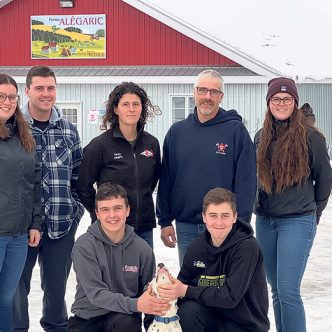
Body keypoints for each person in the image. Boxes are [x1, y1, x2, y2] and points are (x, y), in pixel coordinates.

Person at [254, 77, 332, 332]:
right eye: (276, 99)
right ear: (269, 103)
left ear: (295, 103)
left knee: (288, 290)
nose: (281, 104)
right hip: (266, 221)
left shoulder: (311, 137)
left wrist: (313, 213)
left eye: (287, 99)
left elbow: (325, 179)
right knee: (276, 290)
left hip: (297, 220)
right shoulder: (261, 136)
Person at [157, 69, 256, 265]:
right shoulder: (177, 133)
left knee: (222, 286)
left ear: (221, 96)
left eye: (213, 92)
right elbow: (167, 179)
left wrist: (241, 225)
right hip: (187, 226)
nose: (207, 97)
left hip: (224, 226)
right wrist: (165, 220)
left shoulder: (236, 132)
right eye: (202, 90)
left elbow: (246, 182)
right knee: (191, 285)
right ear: (194, 93)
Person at [13, 66, 85, 332]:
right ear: (28, 91)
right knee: (16, 289)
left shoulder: (68, 130)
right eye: (40, 88)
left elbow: (80, 175)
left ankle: (56, 327)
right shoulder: (13, 129)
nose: (46, 93)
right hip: (21, 226)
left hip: (61, 224)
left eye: (51, 88)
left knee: (56, 289)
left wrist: (75, 211)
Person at [157, 187, 270, 332]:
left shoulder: (247, 247)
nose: (219, 222)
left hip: (244, 325)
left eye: (225, 215)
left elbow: (230, 297)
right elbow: (181, 286)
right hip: (212, 320)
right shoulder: (196, 247)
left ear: (235, 217)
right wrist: (163, 290)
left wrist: (185, 290)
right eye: (213, 215)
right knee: (188, 311)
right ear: (204, 217)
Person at [67, 182, 170, 332]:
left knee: (126, 323)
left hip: (123, 319)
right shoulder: (84, 246)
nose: (112, 215)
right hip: (87, 319)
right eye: (105, 209)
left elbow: (149, 293)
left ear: (127, 210)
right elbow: (95, 293)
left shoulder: (143, 249)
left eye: (118, 208)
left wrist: (152, 327)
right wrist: (136, 304)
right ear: (97, 213)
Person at [77, 81, 161, 248]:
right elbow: (82, 186)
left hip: (143, 228)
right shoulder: (100, 145)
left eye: (136, 104)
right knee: (112, 274)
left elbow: (151, 183)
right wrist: (102, 212)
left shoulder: (151, 144)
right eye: (125, 104)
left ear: (142, 109)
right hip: (112, 229)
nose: (131, 109)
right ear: (115, 109)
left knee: (143, 273)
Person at [0, 74, 41, 331]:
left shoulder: (23, 136)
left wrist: (34, 223)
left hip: (18, 236)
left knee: (5, 299)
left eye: (12, 97)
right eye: (1, 96)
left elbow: (33, 184)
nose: (7, 102)